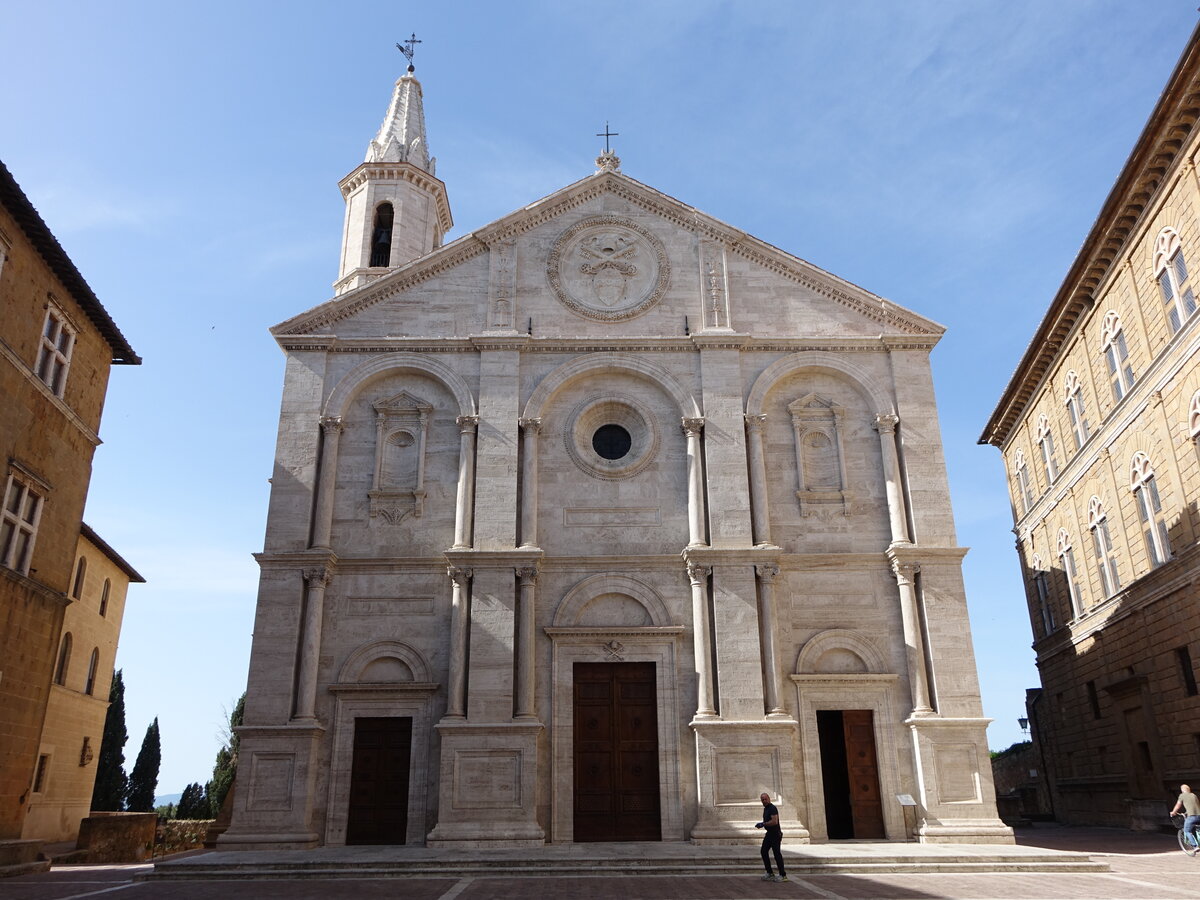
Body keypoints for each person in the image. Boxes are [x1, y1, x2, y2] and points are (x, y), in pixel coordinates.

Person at [754, 792, 787, 882]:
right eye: (762, 799)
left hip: (775, 834)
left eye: (765, 799)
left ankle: (783, 875)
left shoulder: (772, 808)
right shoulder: (766, 809)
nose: (764, 801)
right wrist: (763, 824)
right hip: (769, 834)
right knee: (763, 851)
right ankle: (770, 873)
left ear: (769, 799)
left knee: (777, 854)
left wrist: (763, 824)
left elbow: (774, 821)